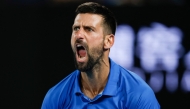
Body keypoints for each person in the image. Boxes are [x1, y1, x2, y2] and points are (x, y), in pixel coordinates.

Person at [41, 2, 160, 109]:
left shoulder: (138, 94)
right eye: (76, 29)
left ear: (108, 41)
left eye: (89, 29)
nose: (78, 35)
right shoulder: (56, 97)